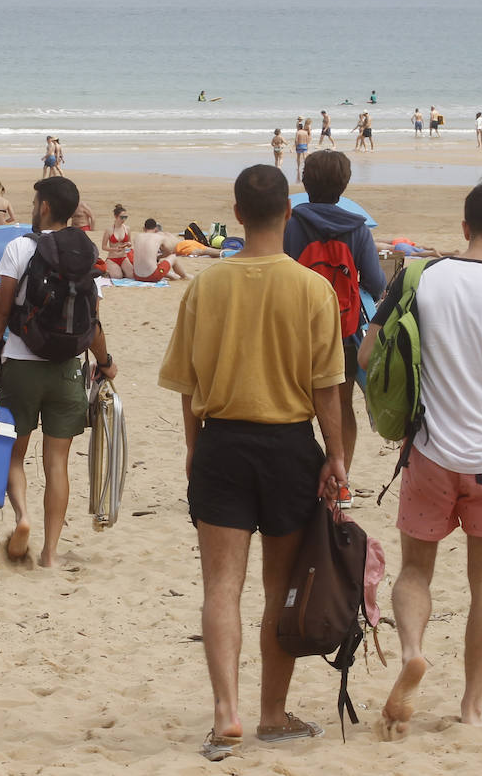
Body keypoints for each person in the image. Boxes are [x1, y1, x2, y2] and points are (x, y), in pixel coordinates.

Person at [358, 172, 482, 738]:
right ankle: (472, 708)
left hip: (429, 452)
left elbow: (370, 353)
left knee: (416, 570)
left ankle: (413, 651)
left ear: (464, 226)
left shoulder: (418, 277)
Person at [159, 163, 347, 762]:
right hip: (291, 444)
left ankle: (226, 715)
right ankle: (271, 713)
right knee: (279, 590)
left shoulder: (206, 286)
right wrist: (337, 455)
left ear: (237, 214)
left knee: (221, 587)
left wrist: (194, 446)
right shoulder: (312, 288)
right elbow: (327, 389)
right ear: (287, 214)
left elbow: (187, 386)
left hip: (222, 442)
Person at [0, 176, 117, 567]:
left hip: (21, 365)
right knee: (57, 464)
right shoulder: (87, 252)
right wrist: (105, 363)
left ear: (45, 207)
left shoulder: (19, 248)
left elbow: (0, 312)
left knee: (14, 455)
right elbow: (94, 322)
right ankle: (50, 554)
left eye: (36, 202)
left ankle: (23, 517)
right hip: (67, 368)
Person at [284, 149, 386, 478]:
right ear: (344, 184)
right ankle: (342, 478)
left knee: (296, 409)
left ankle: (297, 474)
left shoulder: (291, 225)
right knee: (340, 406)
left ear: (305, 181)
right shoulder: (357, 229)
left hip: (297, 332)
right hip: (343, 330)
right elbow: (377, 281)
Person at [102, 204, 135, 279]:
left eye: (125, 217)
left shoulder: (127, 229)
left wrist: (128, 244)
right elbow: (103, 247)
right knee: (117, 276)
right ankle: (112, 268)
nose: (124, 219)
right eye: (122, 217)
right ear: (116, 217)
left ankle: (120, 270)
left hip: (123, 257)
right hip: (112, 258)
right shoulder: (109, 230)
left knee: (132, 275)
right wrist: (114, 249)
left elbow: (130, 244)